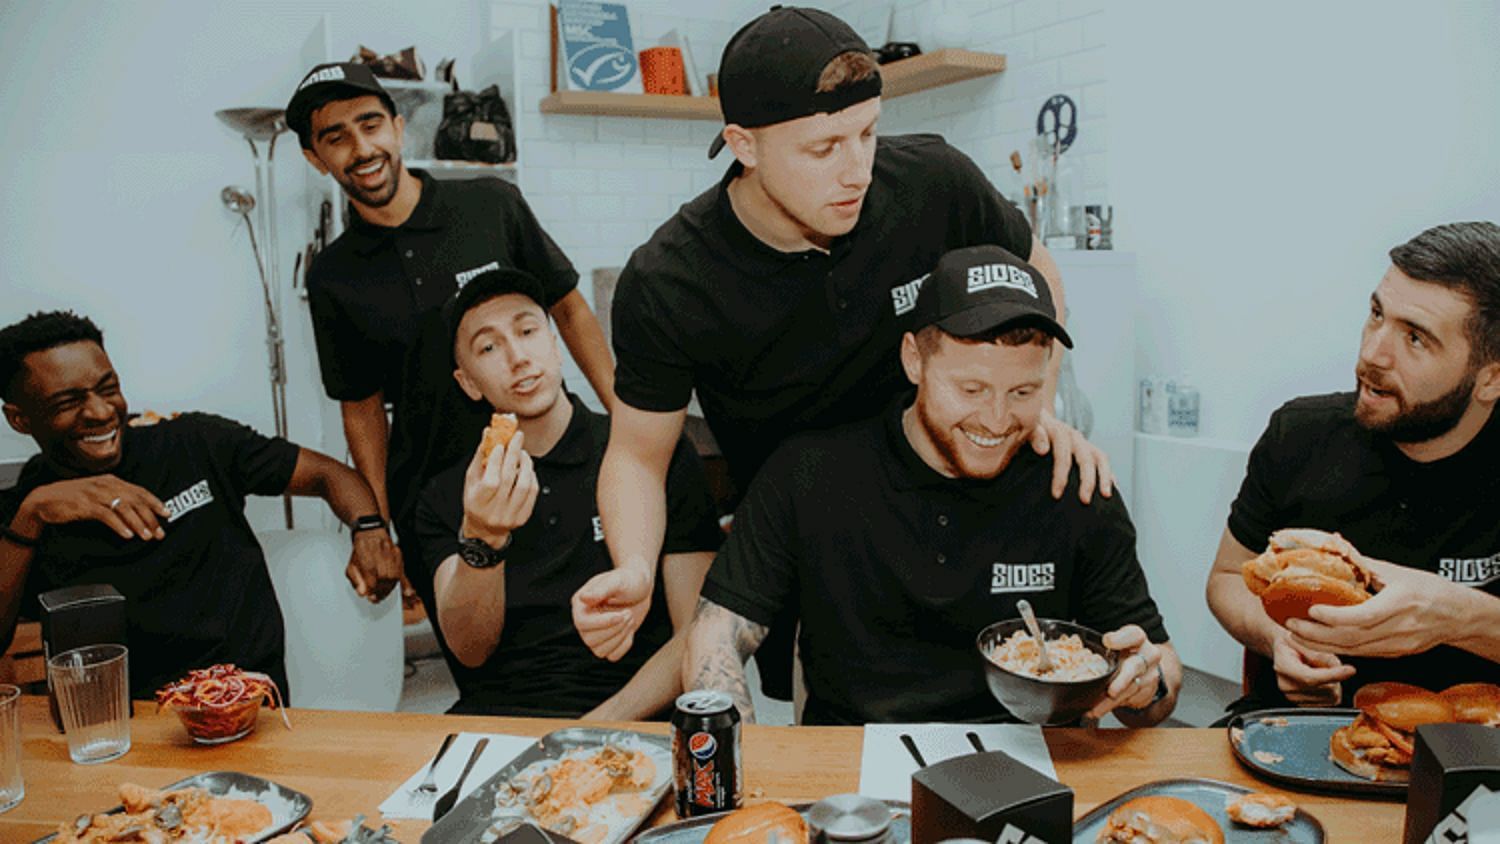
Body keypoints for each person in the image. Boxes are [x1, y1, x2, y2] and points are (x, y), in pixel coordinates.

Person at [584, 7, 1113, 696]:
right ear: (744, 145)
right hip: (818, 541)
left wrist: (1036, 402)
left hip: (962, 495)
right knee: (846, 727)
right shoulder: (671, 281)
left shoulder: (933, 183)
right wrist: (631, 567)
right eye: (823, 147)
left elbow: (1035, 266)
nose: (857, 169)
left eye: (867, 133)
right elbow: (635, 454)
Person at [682, 245, 1180, 725]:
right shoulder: (810, 474)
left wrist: (1146, 683)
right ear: (914, 361)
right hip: (854, 774)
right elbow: (715, 637)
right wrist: (732, 771)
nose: (997, 418)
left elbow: (1162, 683)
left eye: (1023, 392)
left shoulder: (1075, 485)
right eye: (971, 389)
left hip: (1037, 763)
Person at [285, 62, 614, 616]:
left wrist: (625, 424)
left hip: (548, 467)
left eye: (370, 124)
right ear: (315, 159)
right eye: (335, 137)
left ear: (398, 127)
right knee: (480, 657)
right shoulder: (333, 275)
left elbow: (570, 308)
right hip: (434, 498)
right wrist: (380, 526)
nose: (361, 148)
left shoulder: (491, 204)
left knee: (582, 633)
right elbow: (361, 409)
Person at [0, 311, 401, 699]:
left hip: (246, 704)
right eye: (67, 403)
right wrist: (32, 514)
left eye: (108, 388)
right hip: (126, 730)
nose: (102, 412)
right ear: (19, 419)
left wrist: (369, 529)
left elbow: (330, 475)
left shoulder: (194, 443)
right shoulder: (27, 507)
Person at [1206, 222, 1500, 709]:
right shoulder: (1300, 434)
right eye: (1376, 314)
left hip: (1468, 744)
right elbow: (1228, 578)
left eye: (1415, 339)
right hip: (1294, 727)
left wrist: (1461, 616)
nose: (1371, 354)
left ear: (1490, 379)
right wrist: (1278, 640)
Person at [411, 270, 722, 717]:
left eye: (527, 330)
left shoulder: (648, 456)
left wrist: (600, 725)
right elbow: (470, 650)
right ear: (469, 383)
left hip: (636, 716)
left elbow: (697, 632)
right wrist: (483, 537)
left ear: (555, 345)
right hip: (504, 721)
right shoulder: (449, 493)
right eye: (489, 346)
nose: (518, 356)